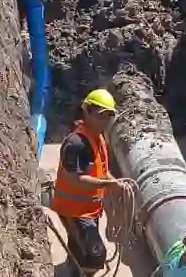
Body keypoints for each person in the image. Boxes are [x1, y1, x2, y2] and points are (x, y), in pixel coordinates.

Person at [51, 88, 124, 276]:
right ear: (87, 112)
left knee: (79, 248)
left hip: (89, 210)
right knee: (96, 255)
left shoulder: (98, 138)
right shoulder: (75, 144)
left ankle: (75, 266)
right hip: (73, 211)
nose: (105, 121)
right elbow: (77, 181)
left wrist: (115, 183)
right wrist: (108, 185)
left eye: (109, 116)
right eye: (101, 116)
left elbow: (102, 170)